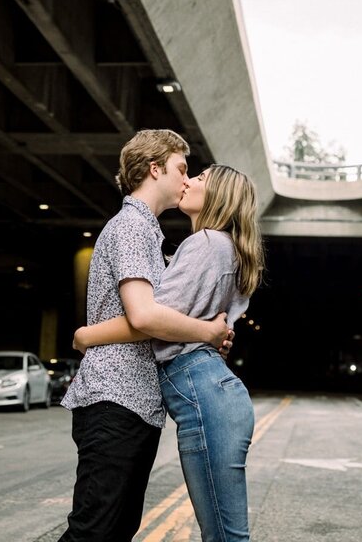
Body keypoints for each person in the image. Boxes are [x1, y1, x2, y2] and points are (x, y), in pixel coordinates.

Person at [74, 164, 264, 542]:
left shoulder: (207, 242)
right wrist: (212, 333)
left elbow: (148, 318)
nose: (189, 180)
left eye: (199, 178)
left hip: (203, 387)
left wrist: (85, 335)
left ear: (219, 196)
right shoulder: (220, 247)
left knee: (224, 537)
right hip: (207, 388)